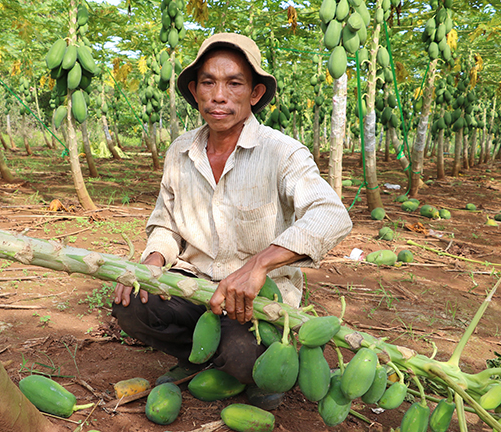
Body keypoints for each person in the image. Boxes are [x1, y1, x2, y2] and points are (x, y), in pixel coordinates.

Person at [112, 33, 352, 409]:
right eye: (208, 82)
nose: (218, 95)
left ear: (254, 93)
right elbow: (165, 222)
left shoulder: (282, 152)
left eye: (234, 83)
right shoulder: (180, 151)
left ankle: (240, 369)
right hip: (194, 287)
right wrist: (153, 261)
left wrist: (259, 264)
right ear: (195, 90)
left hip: (256, 300)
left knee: (248, 358)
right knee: (132, 305)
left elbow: (331, 215)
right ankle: (202, 357)